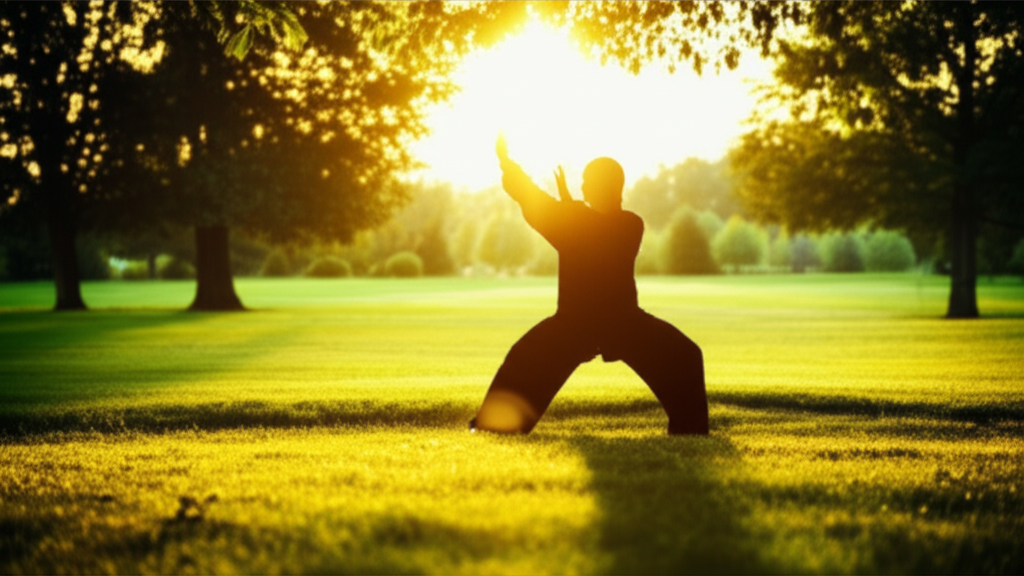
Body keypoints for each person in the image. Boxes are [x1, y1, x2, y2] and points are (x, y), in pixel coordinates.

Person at [470, 136, 709, 435]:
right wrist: (514, 168)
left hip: (614, 322)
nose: (582, 187)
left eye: (587, 181)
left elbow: (575, 221)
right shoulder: (600, 222)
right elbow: (536, 199)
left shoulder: (625, 224)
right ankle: (493, 427)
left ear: (606, 186)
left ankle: (691, 433)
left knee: (684, 355)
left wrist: (564, 204)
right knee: (523, 358)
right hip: (588, 323)